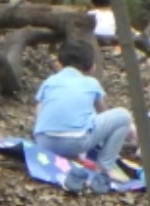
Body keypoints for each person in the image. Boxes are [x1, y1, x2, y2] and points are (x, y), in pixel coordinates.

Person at [32, 39, 134, 182]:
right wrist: (128, 131)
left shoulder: (50, 81)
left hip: (44, 142)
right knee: (123, 116)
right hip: (75, 143)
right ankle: (105, 168)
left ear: (59, 64)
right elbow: (104, 113)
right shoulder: (91, 83)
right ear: (92, 66)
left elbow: (39, 108)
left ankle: (65, 152)